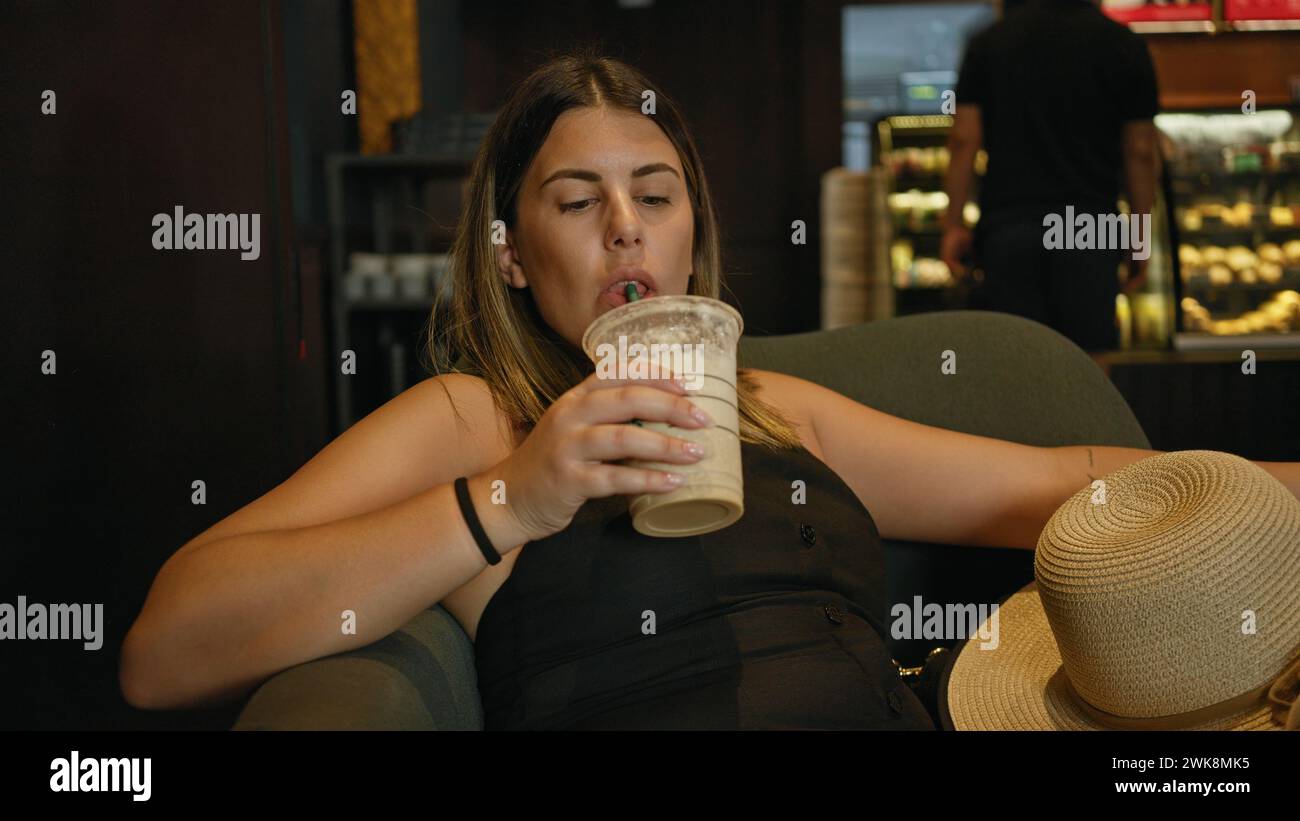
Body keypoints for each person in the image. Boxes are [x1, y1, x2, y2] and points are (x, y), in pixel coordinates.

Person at [120, 51, 1182, 729]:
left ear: (689, 239)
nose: (625, 222)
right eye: (577, 200)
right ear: (511, 257)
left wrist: (1261, 495)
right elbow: (165, 651)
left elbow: (1056, 481)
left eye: (656, 195)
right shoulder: (476, 416)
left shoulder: (776, 405)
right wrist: (514, 499)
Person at [940, 0, 1161, 365]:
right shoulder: (1123, 43)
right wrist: (1139, 236)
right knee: (1090, 370)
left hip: (1011, 226)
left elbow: (964, 139)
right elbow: (1140, 150)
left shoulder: (990, 42)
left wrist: (953, 225)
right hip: (1090, 227)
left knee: (1018, 367)